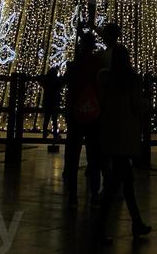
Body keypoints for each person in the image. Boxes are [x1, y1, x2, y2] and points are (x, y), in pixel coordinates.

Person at [97, 44, 151, 244]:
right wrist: (147, 103)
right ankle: (100, 227)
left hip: (110, 136)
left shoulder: (106, 80)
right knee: (115, 186)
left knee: (125, 184)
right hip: (125, 137)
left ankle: (136, 222)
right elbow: (137, 105)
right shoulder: (130, 80)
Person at [63, 32, 102, 208]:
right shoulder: (97, 64)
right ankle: (94, 193)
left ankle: (72, 194)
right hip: (93, 114)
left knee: (73, 155)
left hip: (76, 114)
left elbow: (68, 86)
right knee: (94, 156)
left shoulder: (74, 65)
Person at [39, 66, 63, 145]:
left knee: (47, 118)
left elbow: (39, 78)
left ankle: (45, 133)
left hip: (47, 101)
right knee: (54, 119)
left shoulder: (46, 80)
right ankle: (55, 134)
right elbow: (62, 82)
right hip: (55, 102)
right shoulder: (56, 80)